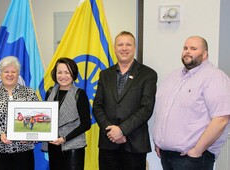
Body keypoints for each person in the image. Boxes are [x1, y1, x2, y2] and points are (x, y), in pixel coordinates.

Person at [153, 36, 230, 170]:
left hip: (194, 159)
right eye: (185, 48)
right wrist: (160, 141)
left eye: (193, 48)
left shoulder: (215, 78)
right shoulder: (173, 76)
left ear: (205, 54)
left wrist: (196, 151)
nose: (187, 51)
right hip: (167, 156)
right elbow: (163, 111)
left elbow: (221, 119)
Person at [92, 31, 157, 170]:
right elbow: (97, 106)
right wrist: (112, 132)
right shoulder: (105, 75)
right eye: (120, 44)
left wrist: (122, 130)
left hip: (134, 144)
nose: (124, 48)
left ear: (134, 48)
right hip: (108, 143)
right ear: (114, 48)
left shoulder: (148, 74)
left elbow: (146, 109)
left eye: (128, 44)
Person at [0, 56, 39, 170]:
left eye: (13, 71)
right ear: (0, 74)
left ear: (18, 74)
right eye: (6, 71)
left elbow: (36, 120)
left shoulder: (29, 93)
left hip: (23, 150)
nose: (10, 74)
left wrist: (30, 137)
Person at [41, 57, 91, 170]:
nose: (63, 76)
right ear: (55, 74)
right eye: (59, 72)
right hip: (53, 146)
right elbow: (45, 118)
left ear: (73, 74)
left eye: (67, 72)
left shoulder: (80, 94)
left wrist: (65, 138)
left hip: (73, 147)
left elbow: (86, 124)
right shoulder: (50, 92)